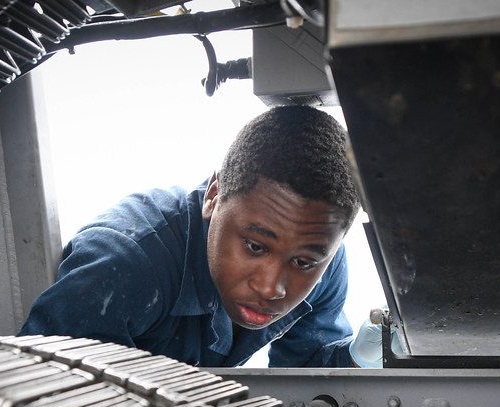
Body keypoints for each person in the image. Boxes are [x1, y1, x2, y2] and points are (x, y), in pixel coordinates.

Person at [19, 105, 360, 367]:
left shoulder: (320, 258)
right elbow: (36, 400)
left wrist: (369, 357)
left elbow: (311, 374)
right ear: (215, 195)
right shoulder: (123, 265)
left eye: (302, 262)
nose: (271, 288)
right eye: (255, 247)